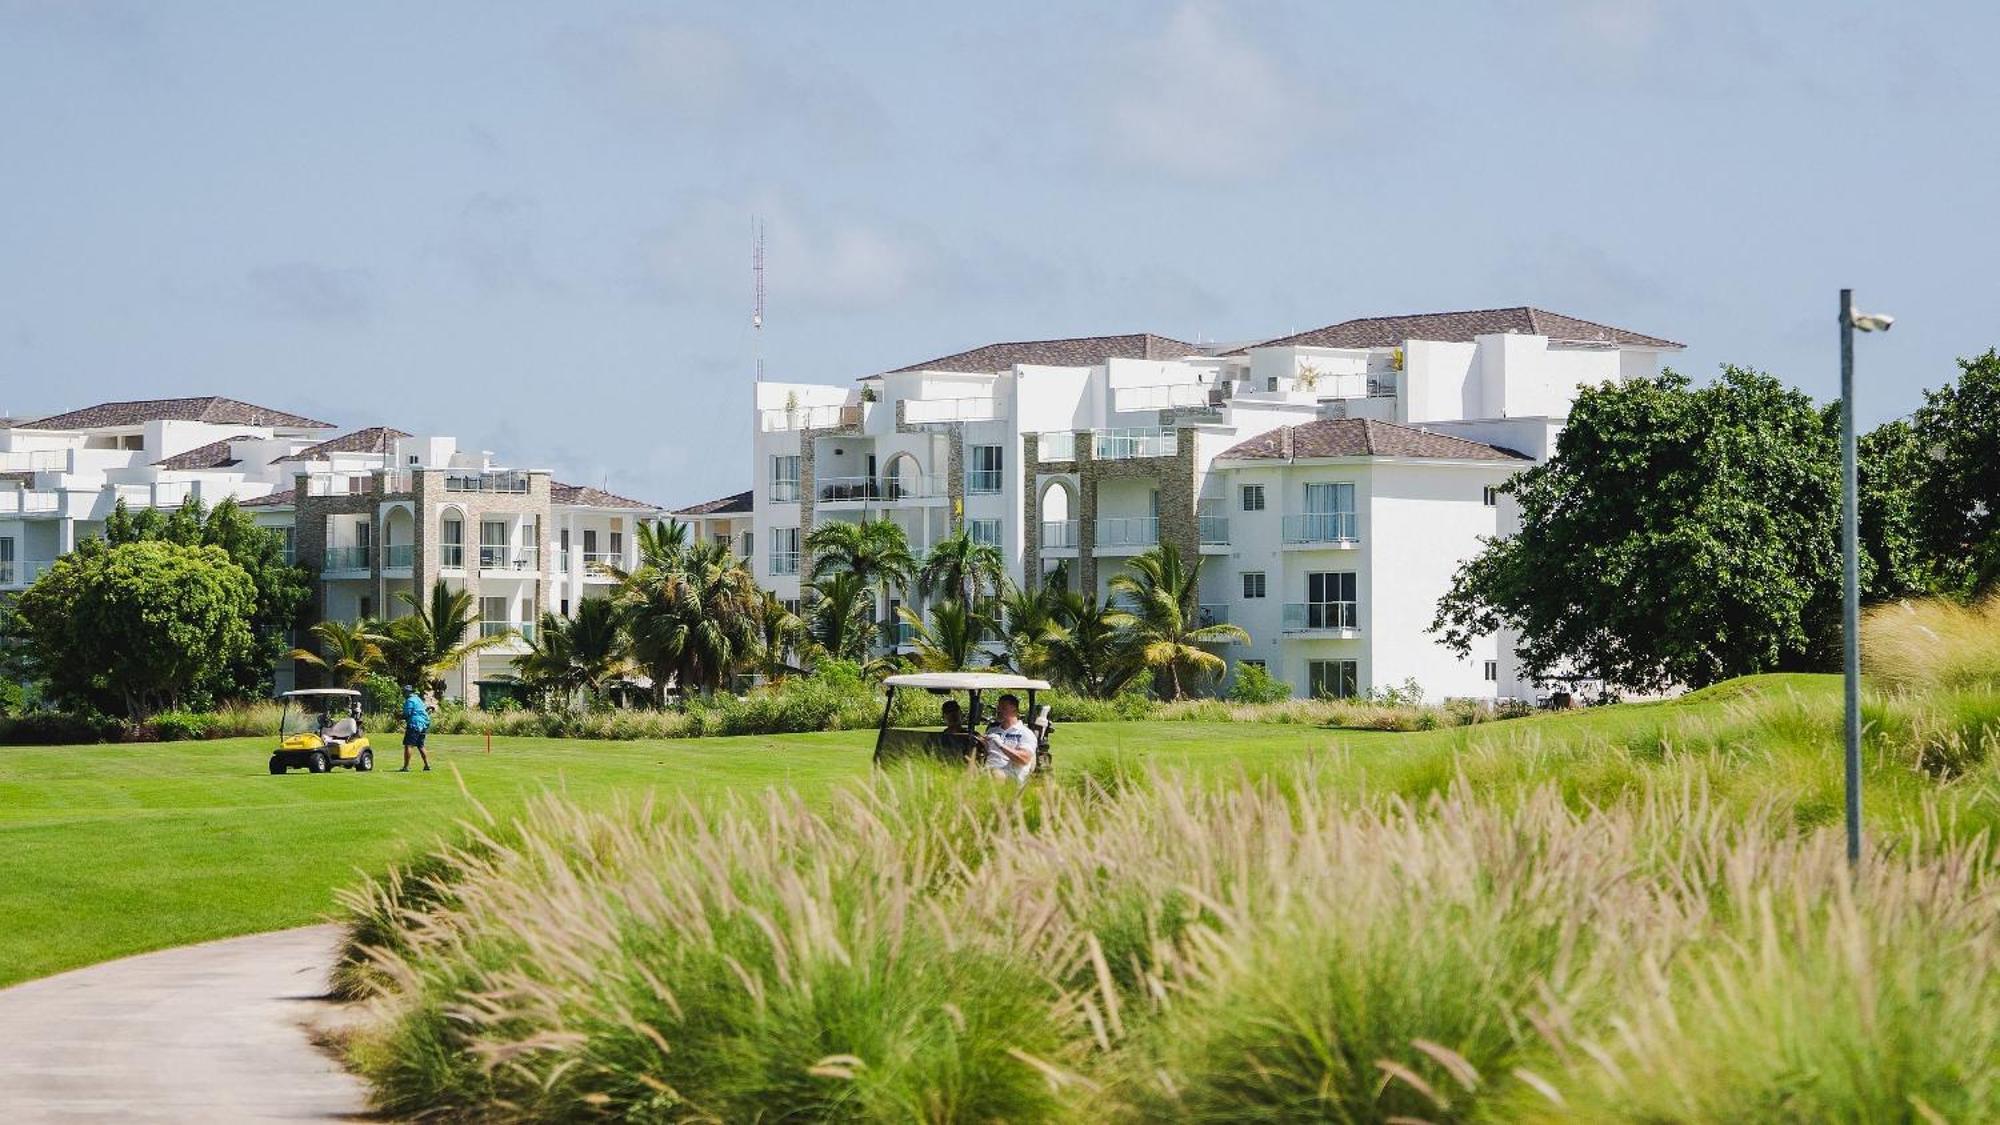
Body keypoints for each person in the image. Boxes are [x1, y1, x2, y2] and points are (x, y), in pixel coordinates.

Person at [981, 693, 1038, 783]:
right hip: (987, 770)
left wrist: (1000, 745)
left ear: (1014, 709)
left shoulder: (1025, 733)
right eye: (998, 707)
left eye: (1003, 707)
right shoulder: (992, 731)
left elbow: (1024, 759)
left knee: (995, 774)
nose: (999, 710)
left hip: (1011, 774)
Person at [399, 685, 433, 772]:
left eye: (404, 692)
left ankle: (406, 767)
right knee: (420, 745)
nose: (403, 694)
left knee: (408, 745)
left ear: (407, 692)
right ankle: (427, 765)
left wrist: (398, 716)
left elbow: (407, 713)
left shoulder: (410, 700)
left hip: (414, 724)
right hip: (423, 724)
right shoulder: (418, 699)